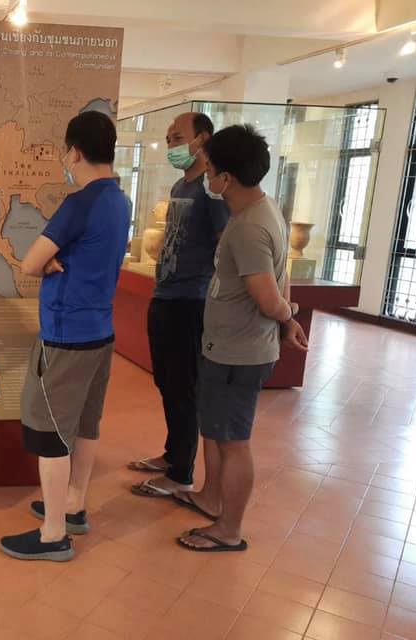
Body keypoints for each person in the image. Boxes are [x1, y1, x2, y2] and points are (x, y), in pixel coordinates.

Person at [0, 111, 130, 562]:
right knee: (86, 424)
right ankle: (73, 506)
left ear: (74, 152)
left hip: (65, 336)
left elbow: (30, 263)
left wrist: (49, 262)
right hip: (100, 332)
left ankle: (53, 534)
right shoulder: (119, 200)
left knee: (51, 432)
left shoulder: (80, 203)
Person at [176, 124, 307, 552]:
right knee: (216, 432)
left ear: (227, 178)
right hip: (228, 347)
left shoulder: (251, 226)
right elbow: (280, 277)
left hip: (239, 353)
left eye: (210, 168)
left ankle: (228, 529)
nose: (207, 176)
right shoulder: (259, 211)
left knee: (234, 443)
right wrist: (286, 319)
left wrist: (288, 316)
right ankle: (211, 498)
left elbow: (268, 297)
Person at [129, 113, 229, 498]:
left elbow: (225, 244)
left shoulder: (211, 191)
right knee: (167, 382)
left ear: (201, 139)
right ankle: (172, 455)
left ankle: (181, 473)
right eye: (169, 138)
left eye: (177, 137)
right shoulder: (180, 185)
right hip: (166, 296)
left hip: (192, 301)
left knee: (183, 386)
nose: (171, 144)